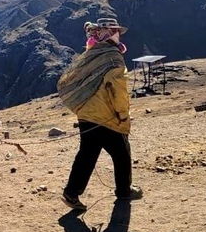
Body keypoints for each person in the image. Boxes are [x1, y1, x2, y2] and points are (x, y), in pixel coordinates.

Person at [57, 16, 143, 211]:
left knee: (86, 155)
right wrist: (123, 114)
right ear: (110, 34)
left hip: (86, 114)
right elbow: (117, 90)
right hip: (107, 117)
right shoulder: (113, 58)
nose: (118, 35)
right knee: (122, 154)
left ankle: (71, 193)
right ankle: (124, 191)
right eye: (116, 32)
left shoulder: (90, 55)